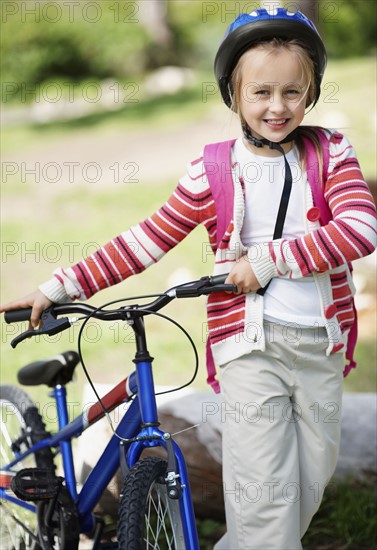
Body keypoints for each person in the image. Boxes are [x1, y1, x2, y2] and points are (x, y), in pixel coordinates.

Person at [1, 7, 376, 549]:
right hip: (250, 352)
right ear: (234, 95)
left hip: (320, 345)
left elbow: (360, 229)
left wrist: (267, 262)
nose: (277, 107)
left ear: (312, 91)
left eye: (293, 92)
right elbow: (145, 239)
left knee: (303, 490)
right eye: (261, 92)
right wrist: (60, 287)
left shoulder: (330, 154)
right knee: (264, 499)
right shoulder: (214, 171)